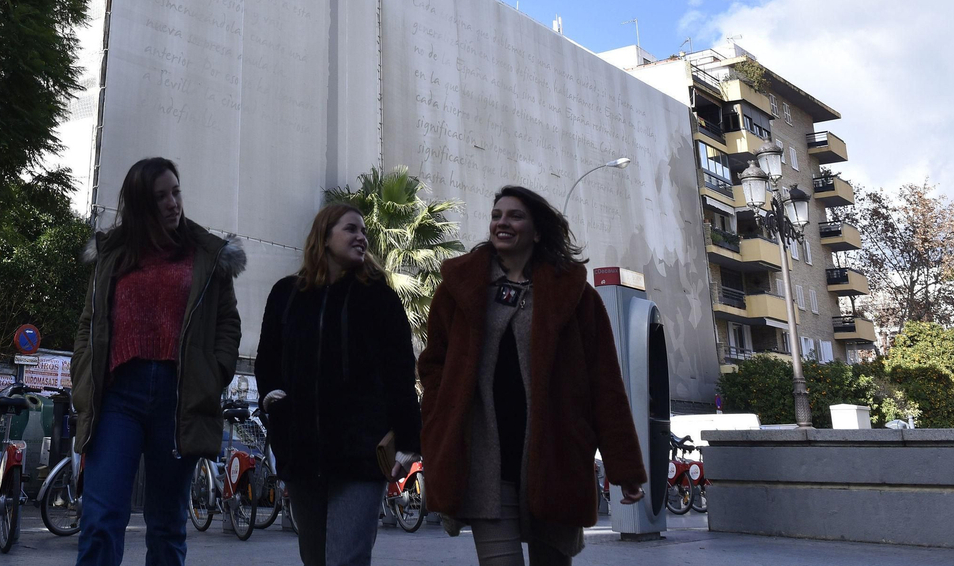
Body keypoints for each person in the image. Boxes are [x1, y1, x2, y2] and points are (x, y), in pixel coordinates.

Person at [418, 185, 647, 566]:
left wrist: (624, 467)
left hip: (555, 455)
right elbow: (433, 364)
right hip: (484, 460)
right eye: (496, 215)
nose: (502, 223)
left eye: (515, 216)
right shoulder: (459, 289)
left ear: (538, 231)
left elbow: (605, 385)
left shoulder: (574, 296)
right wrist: (443, 415)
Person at [71, 157, 245, 566]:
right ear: (139, 206)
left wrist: (214, 374)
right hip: (117, 398)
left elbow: (227, 324)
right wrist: (83, 373)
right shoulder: (113, 255)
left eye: (176, 192)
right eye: (160, 197)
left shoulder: (205, 255)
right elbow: (89, 323)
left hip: (179, 399)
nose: (173, 203)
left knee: (167, 526)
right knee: (101, 520)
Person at [255, 203, 421, 566]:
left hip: (360, 453)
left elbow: (400, 373)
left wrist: (409, 440)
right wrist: (271, 400)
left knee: (347, 558)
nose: (361, 237)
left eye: (364, 231)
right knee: (315, 558)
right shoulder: (286, 294)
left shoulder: (379, 297)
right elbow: (267, 360)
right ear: (325, 237)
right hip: (302, 452)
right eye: (351, 229)